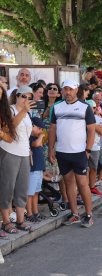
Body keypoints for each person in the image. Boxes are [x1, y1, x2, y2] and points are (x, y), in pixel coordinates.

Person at [48, 80, 96, 228]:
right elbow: (52, 129)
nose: (67, 92)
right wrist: (51, 149)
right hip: (62, 152)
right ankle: (74, 214)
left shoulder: (85, 107)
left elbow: (92, 130)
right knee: (69, 183)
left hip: (79, 152)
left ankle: (88, 215)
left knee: (82, 184)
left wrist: (87, 150)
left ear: (76, 90)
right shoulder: (57, 107)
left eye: (70, 89)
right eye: (65, 89)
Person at [0, 85, 35, 235]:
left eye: (29, 97)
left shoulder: (27, 113)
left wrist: (29, 152)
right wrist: (23, 110)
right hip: (9, 152)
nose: (26, 99)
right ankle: (6, 221)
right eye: (23, 96)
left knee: (22, 188)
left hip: (24, 154)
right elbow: (10, 128)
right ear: (16, 96)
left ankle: (20, 220)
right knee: (7, 188)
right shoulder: (12, 109)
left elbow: (26, 135)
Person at [26, 117, 46, 222]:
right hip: (32, 170)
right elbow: (36, 144)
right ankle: (29, 213)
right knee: (30, 193)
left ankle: (35, 212)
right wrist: (41, 137)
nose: (41, 131)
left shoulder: (37, 138)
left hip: (39, 169)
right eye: (40, 128)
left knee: (36, 192)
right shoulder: (30, 137)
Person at [85, 100, 102, 196]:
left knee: (93, 168)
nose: (90, 109)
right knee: (84, 169)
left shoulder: (98, 118)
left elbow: (101, 131)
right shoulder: (81, 118)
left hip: (95, 147)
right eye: (88, 107)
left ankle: (92, 187)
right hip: (82, 147)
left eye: (92, 108)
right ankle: (84, 189)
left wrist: (91, 123)